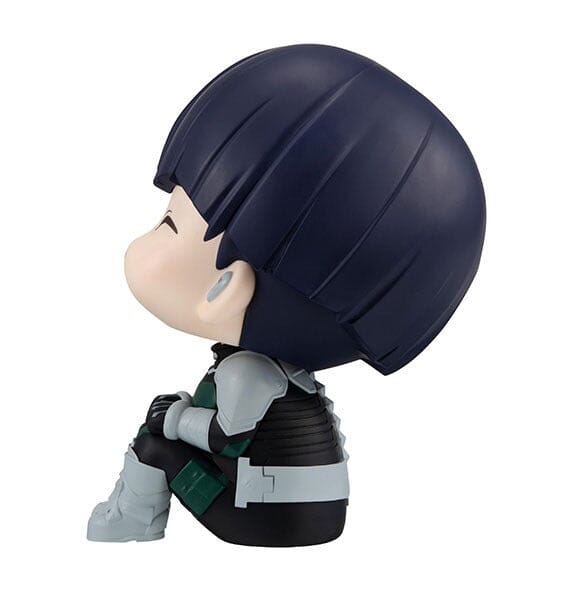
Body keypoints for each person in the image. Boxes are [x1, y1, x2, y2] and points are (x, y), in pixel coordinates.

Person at [87, 44, 485, 547]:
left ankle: (129, 522)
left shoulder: (246, 373)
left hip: (262, 516)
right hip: (308, 510)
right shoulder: (286, 376)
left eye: (170, 223)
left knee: (153, 447)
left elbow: (227, 438)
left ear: (225, 289)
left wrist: (174, 418)